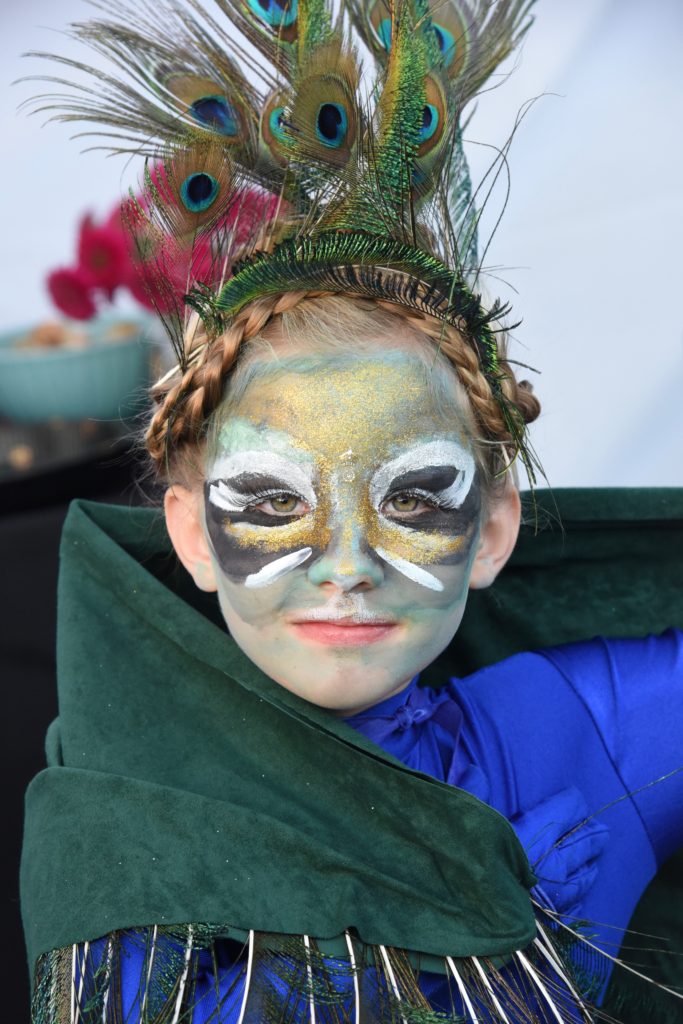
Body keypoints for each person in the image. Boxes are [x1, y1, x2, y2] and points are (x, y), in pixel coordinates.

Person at [20, 0, 683, 1021]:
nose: (346, 562)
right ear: (193, 532)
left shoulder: (573, 726)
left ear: (491, 529)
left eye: (412, 497)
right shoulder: (129, 827)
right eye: (275, 500)